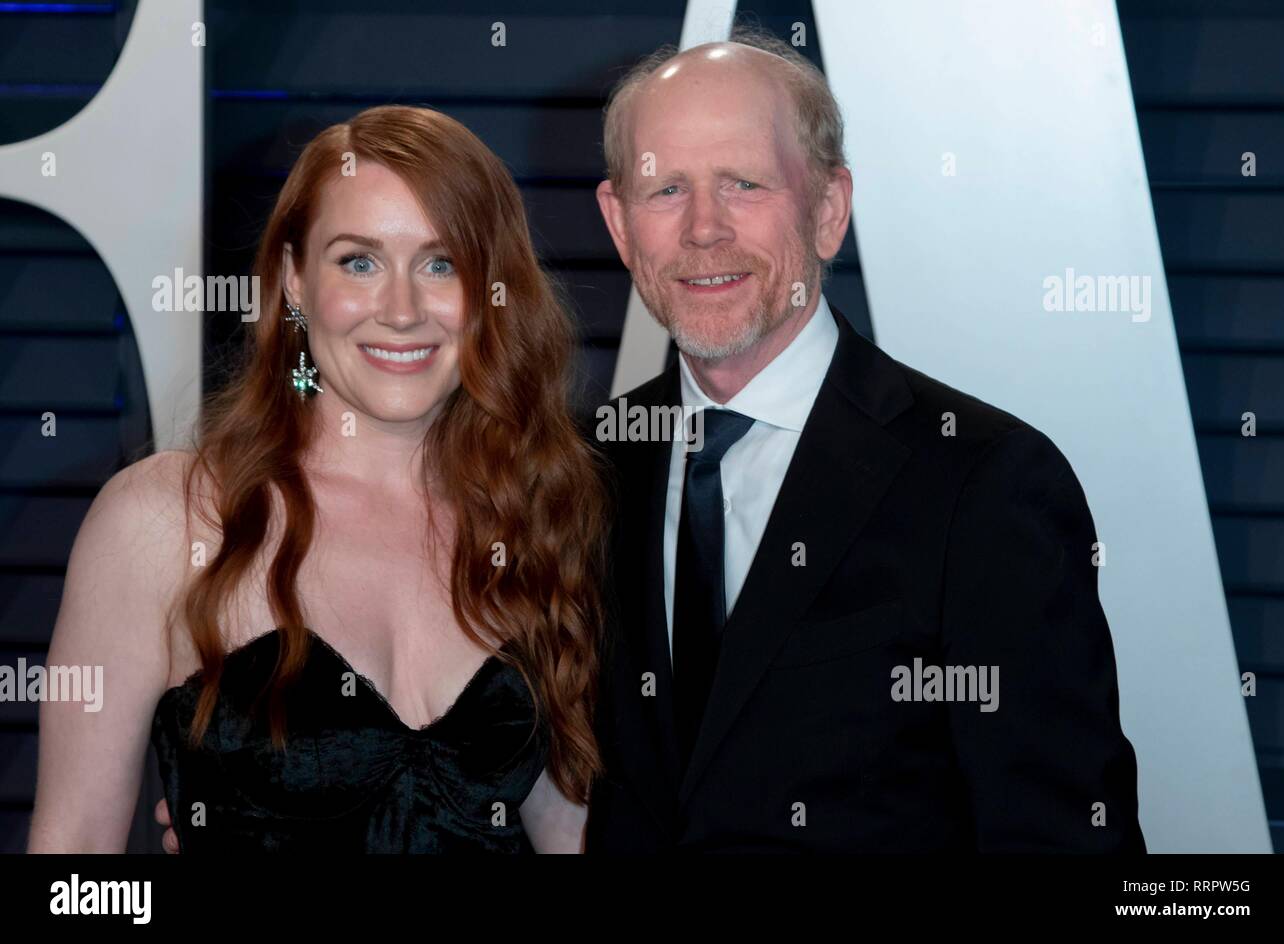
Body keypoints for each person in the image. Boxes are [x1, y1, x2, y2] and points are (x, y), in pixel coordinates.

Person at [583, 33, 1146, 852]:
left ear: (829, 209)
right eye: (666, 189)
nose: (704, 229)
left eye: (744, 183)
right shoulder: (579, 470)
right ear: (621, 225)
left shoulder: (984, 483)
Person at [28, 105, 603, 853]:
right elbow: (71, 863)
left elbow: (579, 837)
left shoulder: (534, 519)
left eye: (441, 264)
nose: (401, 310)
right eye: (358, 262)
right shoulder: (167, 519)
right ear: (294, 280)